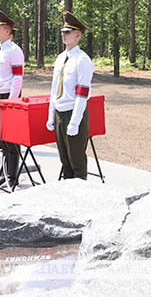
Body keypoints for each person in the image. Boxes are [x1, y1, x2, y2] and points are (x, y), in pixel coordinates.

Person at [46, 12, 94, 179]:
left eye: (67, 32)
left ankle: (81, 199)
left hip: (74, 113)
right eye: (62, 32)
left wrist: (74, 122)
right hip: (60, 112)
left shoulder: (83, 60)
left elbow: (82, 95)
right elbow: (54, 89)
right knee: (64, 161)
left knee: (77, 162)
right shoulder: (60, 58)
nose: (63, 35)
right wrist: (51, 115)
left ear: (78, 35)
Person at [0, 9, 24, 188]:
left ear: (8, 31)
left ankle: (12, 175)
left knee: (12, 138)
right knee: (3, 137)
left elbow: (17, 78)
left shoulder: (14, 51)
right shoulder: (0, 50)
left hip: (9, 96)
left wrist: (11, 102)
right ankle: (4, 173)